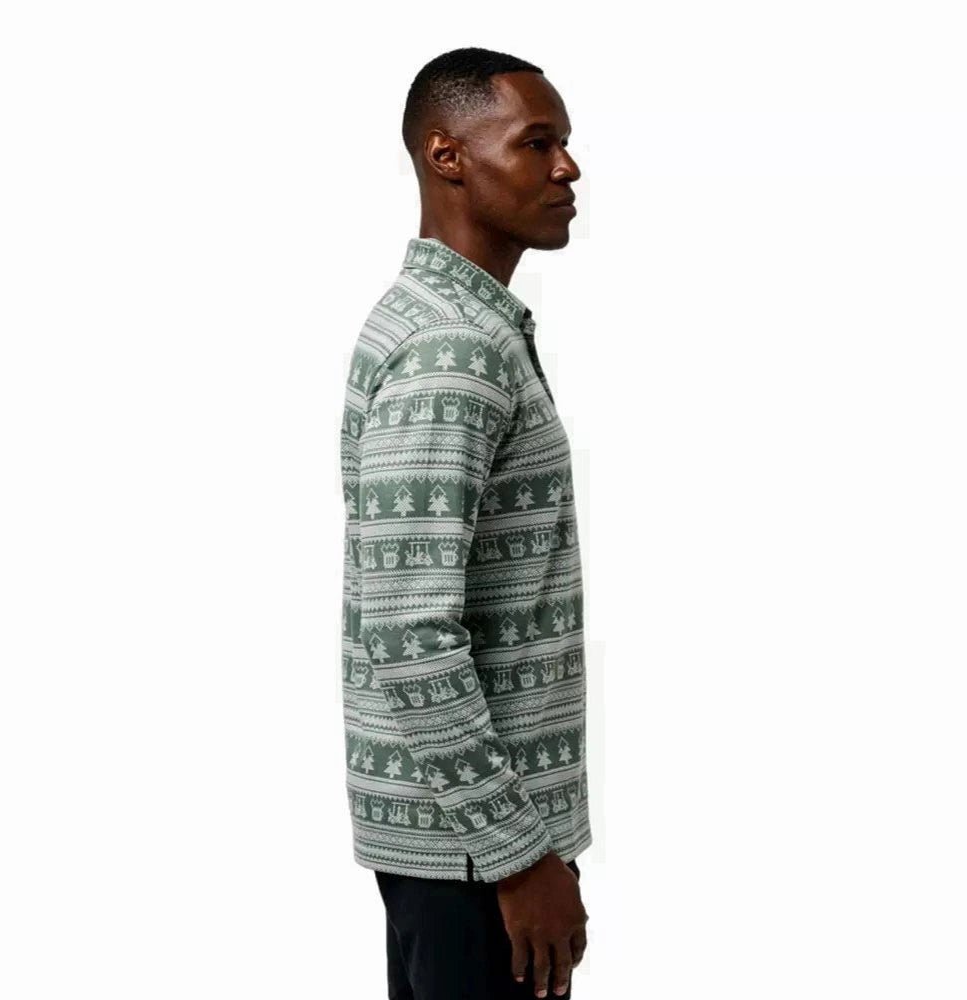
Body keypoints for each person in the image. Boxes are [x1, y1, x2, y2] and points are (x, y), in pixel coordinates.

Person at [338, 46, 591, 999]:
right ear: (446, 155)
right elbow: (409, 632)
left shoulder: (457, 322)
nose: (566, 167)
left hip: (464, 843)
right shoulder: (451, 347)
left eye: (563, 144)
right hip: (475, 855)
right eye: (536, 143)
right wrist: (520, 858)